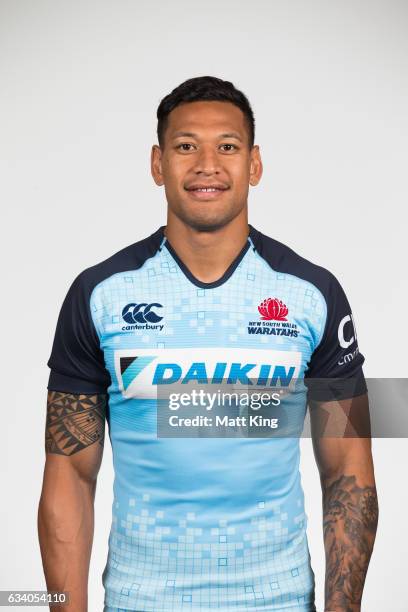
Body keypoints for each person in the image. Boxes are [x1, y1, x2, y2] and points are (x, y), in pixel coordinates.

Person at [38, 76, 378, 612]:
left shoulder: (313, 294)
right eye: (185, 146)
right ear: (157, 164)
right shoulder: (99, 295)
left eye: (227, 146)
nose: (206, 165)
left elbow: (349, 468)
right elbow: (70, 474)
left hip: (280, 601)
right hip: (138, 601)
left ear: (255, 164)